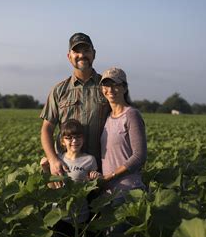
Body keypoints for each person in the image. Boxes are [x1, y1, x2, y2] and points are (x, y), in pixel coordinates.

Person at [40, 33, 110, 181]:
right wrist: (52, 160)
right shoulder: (59, 90)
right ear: (69, 56)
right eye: (76, 51)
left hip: (101, 168)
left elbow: (122, 118)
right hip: (66, 170)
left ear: (94, 54)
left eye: (86, 50)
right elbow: (47, 129)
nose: (82, 55)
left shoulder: (107, 87)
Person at [99, 67, 147, 201]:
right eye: (106, 85)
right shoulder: (108, 117)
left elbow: (139, 156)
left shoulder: (131, 114)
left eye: (116, 85)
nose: (110, 89)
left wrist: (111, 176)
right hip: (109, 193)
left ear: (125, 88)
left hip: (129, 192)